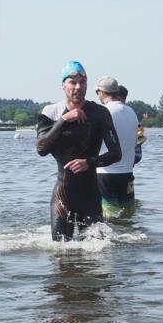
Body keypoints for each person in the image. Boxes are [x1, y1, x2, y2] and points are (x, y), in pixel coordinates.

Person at [35, 61, 122, 241]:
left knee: (96, 256)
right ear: (63, 85)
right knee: (61, 251)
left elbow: (116, 153)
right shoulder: (51, 112)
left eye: (82, 83)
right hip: (63, 196)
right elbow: (41, 148)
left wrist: (89, 162)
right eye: (73, 83)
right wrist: (64, 120)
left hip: (90, 196)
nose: (78, 87)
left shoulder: (100, 113)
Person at [95, 77, 139, 218]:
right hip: (127, 175)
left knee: (108, 219)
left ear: (101, 92)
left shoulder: (102, 111)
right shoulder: (132, 112)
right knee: (127, 218)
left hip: (105, 174)